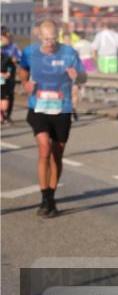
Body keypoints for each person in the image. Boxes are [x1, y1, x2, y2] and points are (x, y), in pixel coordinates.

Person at [18, 20, 87, 217]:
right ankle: (44, 197)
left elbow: (83, 78)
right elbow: (23, 70)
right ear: (39, 35)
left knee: (57, 154)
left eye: (53, 39)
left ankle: (52, 197)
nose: (50, 43)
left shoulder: (69, 53)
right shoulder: (30, 52)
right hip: (38, 108)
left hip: (62, 109)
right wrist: (25, 83)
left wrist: (77, 76)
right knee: (44, 149)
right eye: (46, 39)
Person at [1, 28, 21, 124]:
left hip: (10, 75)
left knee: (10, 94)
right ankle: (2, 115)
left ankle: (7, 115)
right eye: (4, 38)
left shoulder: (13, 47)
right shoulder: (1, 48)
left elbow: (19, 57)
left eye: (8, 38)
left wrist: (16, 60)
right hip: (1, 74)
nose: (6, 39)